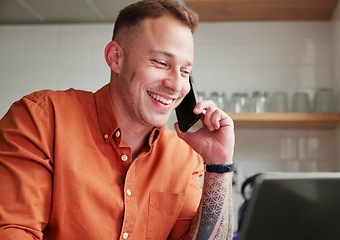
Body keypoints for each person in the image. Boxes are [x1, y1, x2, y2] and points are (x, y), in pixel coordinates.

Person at [0, 0, 235, 239]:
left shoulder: (184, 157)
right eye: (161, 63)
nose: (176, 85)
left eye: (185, 71)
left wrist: (219, 165)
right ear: (115, 58)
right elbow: (13, 230)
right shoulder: (42, 119)